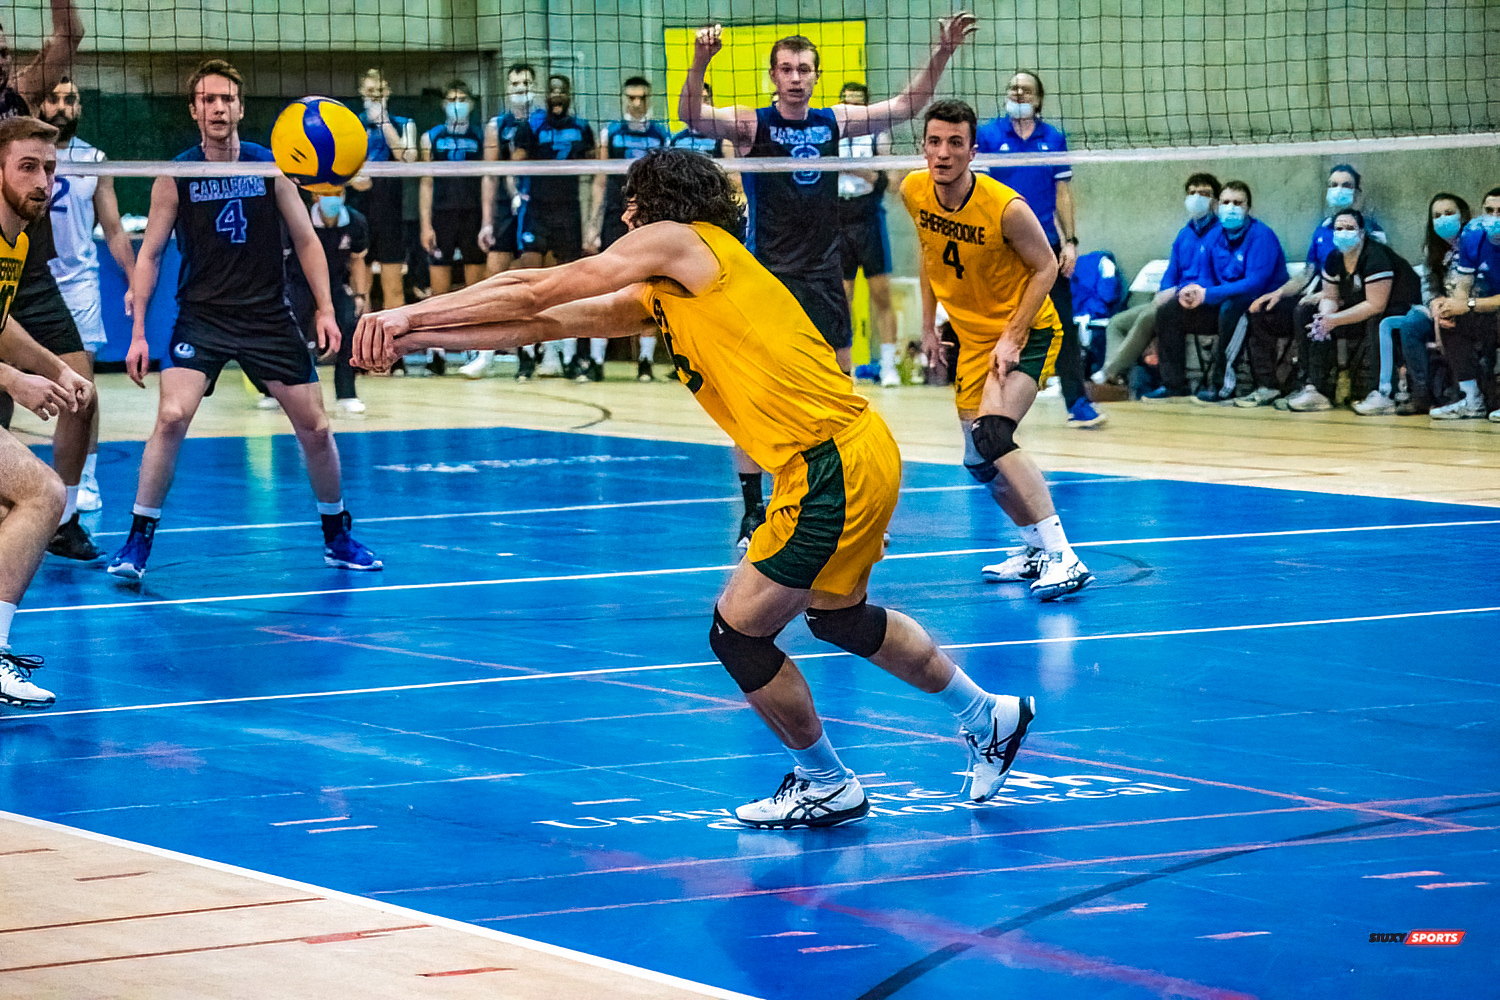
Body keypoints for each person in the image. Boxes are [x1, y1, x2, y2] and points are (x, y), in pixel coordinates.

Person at [352, 147, 1038, 828]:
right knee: (839, 618)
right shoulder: (673, 289)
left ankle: (826, 782)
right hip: (851, 452)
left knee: (739, 634)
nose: (624, 216)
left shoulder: (683, 240)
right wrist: (415, 341)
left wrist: (405, 313)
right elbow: (542, 323)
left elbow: (539, 288)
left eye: (631, 203)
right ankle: (989, 714)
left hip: (828, 463)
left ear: (656, 204)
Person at [680, 14, 976, 549]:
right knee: (755, 397)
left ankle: (842, 499)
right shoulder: (752, 125)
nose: (796, 78)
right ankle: (753, 510)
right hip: (768, 278)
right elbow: (691, 116)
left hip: (823, 276)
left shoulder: (833, 121)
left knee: (839, 391)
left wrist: (942, 51)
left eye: (805, 69)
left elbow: (906, 106)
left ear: (816, 75)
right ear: (773, 76)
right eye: (787, 69)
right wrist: (701, 60)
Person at [106, 60, 380, 579]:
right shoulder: (176, 174)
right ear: (194, 111)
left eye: (227, 99)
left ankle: (337, 536)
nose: (218, 108)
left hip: (267, 316)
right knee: (170, 418)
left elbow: (306, 240)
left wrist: (325, 308)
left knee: (316, 427)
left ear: (240, 108)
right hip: (202, 317)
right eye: (208, 99)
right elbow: (151, 255)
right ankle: (136, 542)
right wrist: (138, 332)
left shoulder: (272, 166)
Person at [903, 100, 1092, 599]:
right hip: (971, 340)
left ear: (973, 151)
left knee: (992, 433)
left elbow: (1046, 266)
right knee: (977, 458)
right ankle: (1034, 547)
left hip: (1028, 331)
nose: (943, 153)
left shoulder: (1005, 207)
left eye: (955, 143)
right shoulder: (913, 190)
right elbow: (928, 254)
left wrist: (1012, 335)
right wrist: (928, 325)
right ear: (923, 146)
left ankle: (1064, 556)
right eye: (935, 142)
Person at [0, 116, 91, 709]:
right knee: (43, 494)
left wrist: (55, 369)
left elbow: (1, 325)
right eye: (27, 167)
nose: (42, 182)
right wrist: (14, 380)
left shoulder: (17, 241)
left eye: (50, 169)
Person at [977, 71, 1103, 428]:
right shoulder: (988, 135)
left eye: (1026, 89)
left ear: (1038, 98)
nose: (1018, 93)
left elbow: (1063, 193)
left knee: (1062, 322)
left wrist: (1071, 242)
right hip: (1001, 245)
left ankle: (1077, 402)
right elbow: (980, 191)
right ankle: (986, 401)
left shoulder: (1053, 138)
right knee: (993, 324)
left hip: (1044, 246)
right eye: (1013, 88)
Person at [38, 76, 135, 514]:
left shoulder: (94, 159)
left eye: (70, 99)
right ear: (39, 103)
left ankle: (86, 479)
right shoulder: (21, 152)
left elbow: (113, 229)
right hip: (28, 283)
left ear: (80, 107)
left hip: (79, 286)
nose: (62, 107)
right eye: (54, 98)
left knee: (82, 390)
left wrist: (134, 279)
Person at [1243, 164, 1387, 407]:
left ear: (1358, 194)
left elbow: (1373, 280)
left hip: (1354, 302)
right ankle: (1268, 386)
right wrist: (1278, 293)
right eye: (1333, 185)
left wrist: (1326, 296)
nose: (1338, 190)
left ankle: (1315, 386)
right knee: (1264, 311)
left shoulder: (1370, 232)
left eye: (1346, 185)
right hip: (1320, 295)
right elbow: (1308, 272)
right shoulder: (1322, 229)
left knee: (1307, 312)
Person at [1151, 181, 1287, 402]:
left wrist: (1208, 294)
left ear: (1248, 208)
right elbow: (1205, 277)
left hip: (1259, 305)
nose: (1231, 208)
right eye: (1225, 202)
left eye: (1238, 203)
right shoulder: (1215, 237)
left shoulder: (1261, 235)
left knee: (1231, 308)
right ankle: (1172, 384)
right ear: (1217, 206)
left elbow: (1255, 283)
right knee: (1170, 310)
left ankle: (1222, 385)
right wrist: (1190, 292)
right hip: (1222, 302)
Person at [1283, 209, 1420, 413]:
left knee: (1378, 320)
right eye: (1339, 228)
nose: (1343, 233)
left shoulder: (1376, 257)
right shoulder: (1334, 258)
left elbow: (1376, 305)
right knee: (1307, 315)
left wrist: (1335, 320)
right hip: (1361, 307)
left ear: (1362, 233)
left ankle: (1382, 393)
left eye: (1349, 228)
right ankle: (1315, 388)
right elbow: (1330, 296)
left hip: (1400, 308)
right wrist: (1325, 318)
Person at [1092, 174, 1220, 388]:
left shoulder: (1220, 234)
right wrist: (1164, 292)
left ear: (1215, 201)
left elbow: (1213, 278)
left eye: (1204, 193)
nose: (1197, 198)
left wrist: (1176, 291)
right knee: (1116, 323)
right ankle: (1116, 379)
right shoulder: (1185, 234)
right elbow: (1171, 272)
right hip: (1174, 298)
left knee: (1148, 317)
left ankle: (1108, 372)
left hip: (1198, 301)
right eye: (1192, 193)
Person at [512, 73, 597, 379]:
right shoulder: (531, 126)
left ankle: (571, 357)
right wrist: (517, 192)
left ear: (569, 95)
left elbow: (596, 165)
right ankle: (525, 356)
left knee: (570, 287)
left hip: (568, 211)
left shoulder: (581, 128)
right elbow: (515, 162)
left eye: (562, 91)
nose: (557, 95)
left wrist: (591, 219)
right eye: (553, 91)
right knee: (529, 284)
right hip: (536, 209)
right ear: (546, 96)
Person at [587, 76, 670, 382]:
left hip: (649, 218)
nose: (636, 103)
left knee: (648, 287)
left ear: (650, 100)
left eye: (642, 98)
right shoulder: (610, 133)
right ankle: (596, 362)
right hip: (615, 216)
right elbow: (599, 180)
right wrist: (592, 226)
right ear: (624, 100)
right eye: (631, 98)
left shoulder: (661, 134)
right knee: (604, 286)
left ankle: (645, 362)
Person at [1356, 194, 1469, 416]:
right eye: (1437, 215)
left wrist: (1455, 307)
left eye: (1449, 213)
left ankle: (1463, 393)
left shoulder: (1475, 244)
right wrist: (1435, 306)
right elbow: (1428, 286)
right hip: (1439, 307)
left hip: (1468, 306)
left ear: (1463, 216)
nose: (1443, 219)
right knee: (1411, 323)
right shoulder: (1431, 249)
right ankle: (1420, 393)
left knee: (1457, 326)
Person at [469, 63, 541, 380]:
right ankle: (486, 354)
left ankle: (540, 353)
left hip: (537, 207)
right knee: (493, 279)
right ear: (507, 88)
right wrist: (487, 221)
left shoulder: (543, 122)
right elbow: (489, 175)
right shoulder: (496, 125)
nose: (520, 88)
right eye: (515, 83)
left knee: (535, 282)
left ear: (534, 86)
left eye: (525, 82)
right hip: (503, 209)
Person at [836, 82, 900, 389]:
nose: (851, 108)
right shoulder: (830, 134)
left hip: (869, 216)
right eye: (846, 103)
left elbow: (892, 182)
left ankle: (889, 366)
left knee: (881, 294)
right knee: (841, 297)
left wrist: (860, 171)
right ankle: (841, 365)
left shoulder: (877, 135)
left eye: (857, 103)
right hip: (837, 217)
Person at [288, 187, 369, 416]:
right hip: (299, 281)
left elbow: (357, 260)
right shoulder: (299, 217)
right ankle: (281, 391)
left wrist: (360, 295)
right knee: (290, 331)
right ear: (315, 196)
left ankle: (347, 394)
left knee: (349, 325)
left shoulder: (355, 221)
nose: (332, 198)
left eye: (337, 193)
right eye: (327, 193)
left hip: (335, 284)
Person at [347, 69, 415, 319]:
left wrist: (384, 121)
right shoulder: (351, 124)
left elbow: (407, 157)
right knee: (360, 290)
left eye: (379, 92)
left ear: (388, 93)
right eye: (370, 92)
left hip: (391, 212)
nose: (374, 97)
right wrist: (352, 180)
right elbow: (338, 167)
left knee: (394, 286)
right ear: (361, 93)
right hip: (359, 210)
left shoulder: (404, 123)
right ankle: (360, 339)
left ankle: (394, 340)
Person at [1430, 187, 1500, 421]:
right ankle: (1472, 399)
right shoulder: (1472, 234)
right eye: (1489, 210)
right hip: (1487, 307)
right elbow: (1462, 286)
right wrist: (1452, 309)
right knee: (1452, 320)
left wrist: (1468, 304)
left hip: (1492, 306)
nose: (1494, 217)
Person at [419, 80, 485, 317]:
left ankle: (475, 335)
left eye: (462, 100)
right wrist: (426, 225)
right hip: (441, 214)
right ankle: (439, 337)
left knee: (475, 291)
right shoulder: (431, 137)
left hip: (473, 214)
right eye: (452, 100)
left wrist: (487, 222)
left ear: (472, 104)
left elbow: (487, 179)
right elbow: (426, 182)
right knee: (439, 291)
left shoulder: (481, 136)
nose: (457, 104)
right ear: (444, 104)